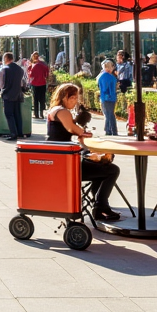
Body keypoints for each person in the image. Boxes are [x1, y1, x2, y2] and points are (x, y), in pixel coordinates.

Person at [46, 83, 121, 222]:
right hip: (66, 165)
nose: (75, 101)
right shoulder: (62, 111)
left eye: (76, 98)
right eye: (73, 98)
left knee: (102, 168)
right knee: (112, 170)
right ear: (64, 97)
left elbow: (72, 132)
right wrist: (83, 133)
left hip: (61, 160)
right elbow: (72, 129)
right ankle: (100, 207)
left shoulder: (54, 110)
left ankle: (100, 205)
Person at [0, 52, 26, 141]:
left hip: (8, 94)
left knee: (9, 114)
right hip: (18, 94)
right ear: (12, 58)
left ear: (5, 59)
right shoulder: (20, 69)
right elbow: (22, 82)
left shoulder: (4, 69)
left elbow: (1, 84)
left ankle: (13, 133)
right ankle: (20, 133)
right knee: (17, 114)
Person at [96, 60, 119, 136]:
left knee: (107, 114)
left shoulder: (100, 77)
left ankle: (108, 130)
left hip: (104, 97)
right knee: (111, 114)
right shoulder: (112, 78)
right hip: (112, 97)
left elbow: (101, 87)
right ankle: (113, 130)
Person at [28, 53, 50, 119]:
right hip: (43, 83)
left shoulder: (33, 65)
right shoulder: (43, 64)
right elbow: (47, 72)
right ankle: (41, 113)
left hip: (35, 84)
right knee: (42, 98)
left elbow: (31, 75)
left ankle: (36, 114)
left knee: (36, 99)